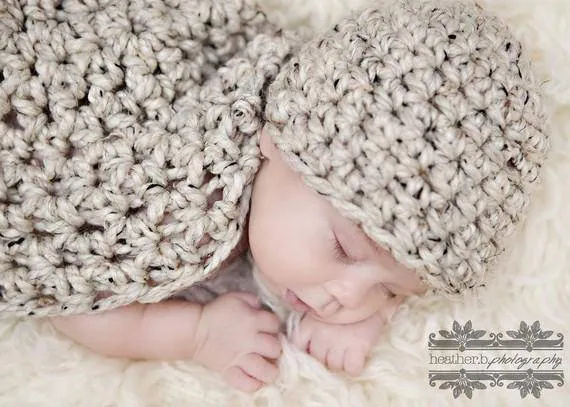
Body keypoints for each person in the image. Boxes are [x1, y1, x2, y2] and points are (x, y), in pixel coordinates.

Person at [0, 0, 548, 393]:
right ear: (276, 141)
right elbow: (77, 305)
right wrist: (192, 336)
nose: (344, 299)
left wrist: (364, 324)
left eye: (391, 292)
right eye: (342, 248)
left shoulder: (302, 231)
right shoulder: (175, 192)